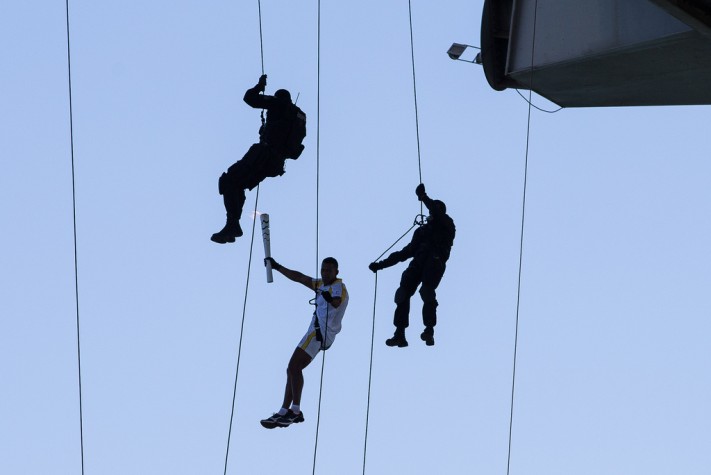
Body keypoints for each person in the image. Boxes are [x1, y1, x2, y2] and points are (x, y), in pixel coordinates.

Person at [211, 74, 306, 243]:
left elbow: (249, 99)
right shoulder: (300, 117)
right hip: (275, 163)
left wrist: (259, 86)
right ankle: (233, 225)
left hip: (263, 155)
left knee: (230, 179)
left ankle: (232, 224)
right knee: (238, 183)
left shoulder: (278, 104)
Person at [259, 256, 349, 429]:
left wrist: (327, 297)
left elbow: (337, 302)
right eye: (323, 269)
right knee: (291, 369)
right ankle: (284, 410)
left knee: (294, 367)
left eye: (329, 270)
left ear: (336, 271)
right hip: (314, 332)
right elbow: (300, 277)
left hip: (320, 333)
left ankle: (296, 410)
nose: (325, 273)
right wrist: (277, 267)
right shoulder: (321, 284)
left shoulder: (339, 287)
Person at [369, 184, 455, 347]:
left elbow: (437, 212)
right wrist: (380, 265)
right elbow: (404, 253)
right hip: (419, 262)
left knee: (427, 291)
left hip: (435, 261)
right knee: (403, 292)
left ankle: (429, 330)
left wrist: (423, 197)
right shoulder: (422, 232)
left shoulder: (447, 224)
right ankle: (399, 333)